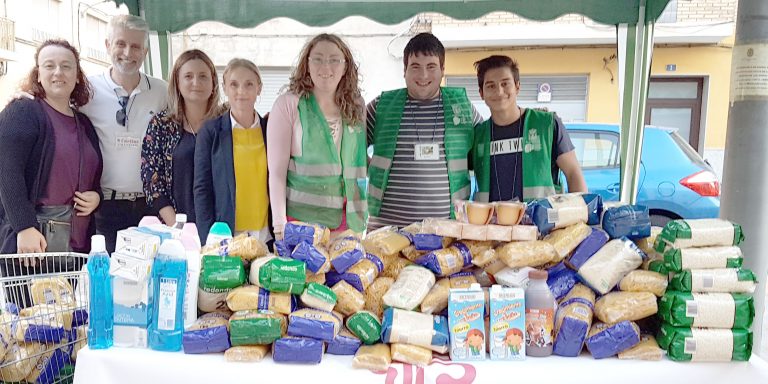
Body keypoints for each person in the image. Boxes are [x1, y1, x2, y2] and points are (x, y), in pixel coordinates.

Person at [0, 40, 103, 308]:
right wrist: (24, 226)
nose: (58, 72)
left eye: (66, 66)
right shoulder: (23, 111)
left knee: (61, 328)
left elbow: (92, 173)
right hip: (33, 247)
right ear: (38, 73)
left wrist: (97, 197)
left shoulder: (84, 123)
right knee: (31, 333)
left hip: (72, 249)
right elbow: (6, 170)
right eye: (50, 65)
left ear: (77, 75)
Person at [366, 32, 482, 230]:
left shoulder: (462, 108)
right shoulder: (380, 106)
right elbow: (351, 148)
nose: (423, 75)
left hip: (446, 233)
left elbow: (484, 153)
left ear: (443, 69)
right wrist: (373, 169)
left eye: (431, 67)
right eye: (415, 67)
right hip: (386, 232)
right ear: (404, 70)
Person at [80, 15, 167, 252]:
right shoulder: (87, 90)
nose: (128, 53)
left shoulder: (162, 92)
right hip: (105, 208)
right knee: (109, 279)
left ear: (145, 52)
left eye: (136, 46)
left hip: (150, 208)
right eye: (121, 44)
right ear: (107, 45)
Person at [268, 34, 368, 238]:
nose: (326, 67)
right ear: (307, 64)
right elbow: (276, 173)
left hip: (347, 223)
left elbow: (357, 160)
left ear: (345, 66)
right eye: (318, 59)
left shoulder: (356, 106)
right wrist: (279, 226)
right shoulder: (288, 105)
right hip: (301, 223)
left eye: (334, 60)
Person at [471, 55, 586, 202]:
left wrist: (579, 214)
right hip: (491, 224)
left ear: (517, 86)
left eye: (505, 84)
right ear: (481, 93)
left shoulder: (547, 125)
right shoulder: (477, 135)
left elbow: (573, 173)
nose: (499, 92)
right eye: (491, 86)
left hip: (541, 222)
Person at [141, 49, 223, 226]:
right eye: (188, 76)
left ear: (213, 82)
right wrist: (178, 228)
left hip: (221, 229)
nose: (196, 82)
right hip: (175, 229)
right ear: (177, 82)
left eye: (203, 76)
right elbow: (152, 181)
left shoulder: (226, 123)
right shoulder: (160, 124)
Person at [194, 58, 271, 245]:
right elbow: (202, 189)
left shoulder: (271, 129)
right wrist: (208, 241)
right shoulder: (211, 132)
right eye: (234, 84)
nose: (241, 92)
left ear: (259, 88)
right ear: (225, 88)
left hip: (266, 238)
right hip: (227, 239)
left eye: (249, 84)